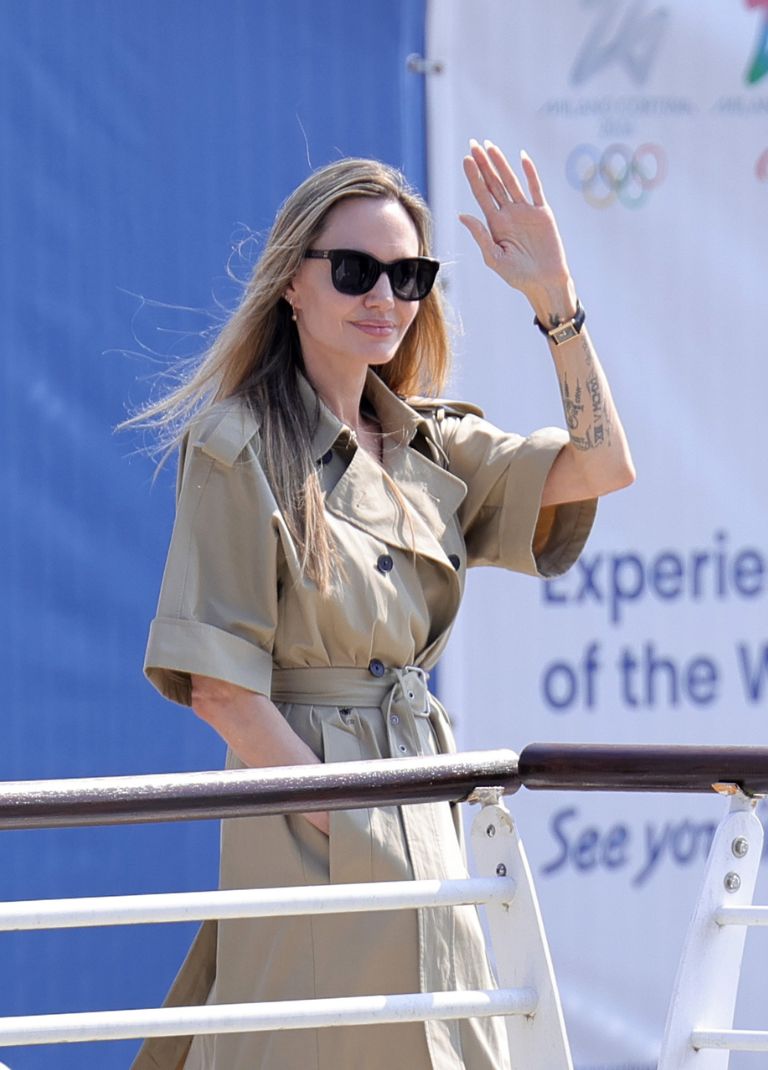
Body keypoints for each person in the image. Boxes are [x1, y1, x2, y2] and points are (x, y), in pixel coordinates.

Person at [130, 139, 634, 1070]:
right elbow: (222, 690)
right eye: (356, 271)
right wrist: (351, 821)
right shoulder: (238, 445)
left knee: (445, 1041)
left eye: (409, 277)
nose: (386, 299)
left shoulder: (429, 446)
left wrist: (554, 299)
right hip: (315, 803)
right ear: (293, 282)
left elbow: (602, 465)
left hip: (418, 793)